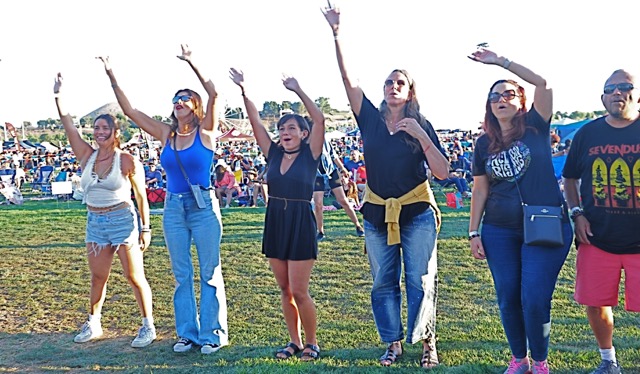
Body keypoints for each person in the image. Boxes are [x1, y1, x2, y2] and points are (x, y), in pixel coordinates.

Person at [323, 4, 450, 368]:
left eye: (400, 83)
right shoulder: (370, 120)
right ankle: (393, 343)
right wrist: (336, 34)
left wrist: (422, 138)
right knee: (383, 282)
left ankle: (428, 342)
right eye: (389, 82)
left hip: (417, 210)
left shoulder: (421, 122)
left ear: (410, 92)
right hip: (377, 210)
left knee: (421, 280)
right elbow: (348, 81)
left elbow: (442, 173)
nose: (393, 87)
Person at [97, 44, 228, 355]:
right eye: (175, 99)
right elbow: (130, 112)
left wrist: (192, 61)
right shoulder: (166, 134)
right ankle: (188, 334)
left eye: (185, 99)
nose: (178, 102)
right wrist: (111, 74)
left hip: (203, 206)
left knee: (209, 272)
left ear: (195, 107)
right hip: (173, 206)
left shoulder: (206, 132)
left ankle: (213, 334)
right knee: (181, 273)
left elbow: (215, 94)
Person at [467, 47, 573, 373]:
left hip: (544, 224)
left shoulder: (536, 127)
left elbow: (545, 84)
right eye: (494, 96)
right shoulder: (483, 144)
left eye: (508, 94)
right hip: (499, 229)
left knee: (535, 298)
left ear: (521, 100)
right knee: (508, 298)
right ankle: (519, 359)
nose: (501, 99)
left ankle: (540, 362)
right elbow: (481, 188)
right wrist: (473, 230)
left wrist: (501, 62)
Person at [53, 73, 155, 348]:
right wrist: (58, 96)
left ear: (115, 132)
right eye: (96, 128)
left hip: (122, 219)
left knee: (134, 277)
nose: (99, 132)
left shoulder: (126, 159)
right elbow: (69, 127)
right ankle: (94, 322)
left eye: (105, 128)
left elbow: (141, 196)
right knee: (98, 277)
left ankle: (148, 325)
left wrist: (145, 228)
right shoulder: (87, 155)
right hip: (95, 221)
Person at [229, 67, 324, 361]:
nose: (285, 133)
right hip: (275, 220)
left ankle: (311, 342)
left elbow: (319, 118)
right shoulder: (273, 153)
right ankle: (293, 341)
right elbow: (256, 121)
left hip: (300, 220)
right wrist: (244, 90)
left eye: (292, 129)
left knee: (299, 290)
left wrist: (297, 90)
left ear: (304, 134)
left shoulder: (311, 155)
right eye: (282, 129)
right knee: (284, 289)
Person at [562, 69, 640, 374]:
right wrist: (576, 213)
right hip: (596, 236)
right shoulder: (587, 134)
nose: (618, 93)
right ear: (603, 97)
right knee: (595, 303)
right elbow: (569, 179)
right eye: (611, 89)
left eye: (625, 87)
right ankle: (608, 361)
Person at [313, 138, 364, 241]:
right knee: (318, 204)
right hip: (316, 175)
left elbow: (334, 157)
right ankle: (320, 231)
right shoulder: (304, 142)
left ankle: (358, 226)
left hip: (331, 172)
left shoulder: (324, 140)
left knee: (343, 200)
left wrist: (343, 169)